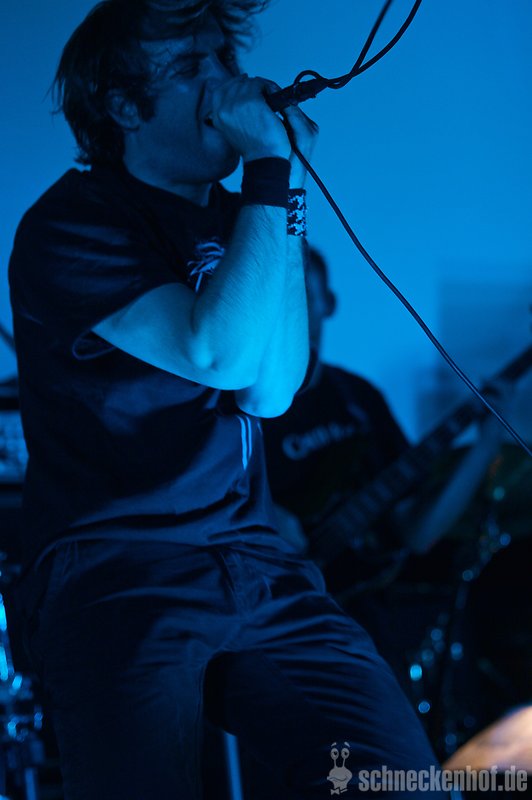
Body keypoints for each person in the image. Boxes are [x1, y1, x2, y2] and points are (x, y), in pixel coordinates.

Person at [9, 2, 448, 798]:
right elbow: (217, 352)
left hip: (254, 560)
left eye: (223, 58)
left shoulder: (243, 213)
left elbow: (271, 391)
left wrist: (280, 186)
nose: (225, 84)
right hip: (119, 569)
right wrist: (269, 171)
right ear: (124, 107)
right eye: (190, 68)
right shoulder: (70, 223)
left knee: (398, 780)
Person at [262, 244, 513, 668]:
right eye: (278, 295)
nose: (291, 308)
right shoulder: (242, 404)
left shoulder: (358, 398)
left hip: (375, 627)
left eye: (302, 292)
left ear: (329, 303)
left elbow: (417, 531)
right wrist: (263, 514)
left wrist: (487, 442)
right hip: (282, 625)